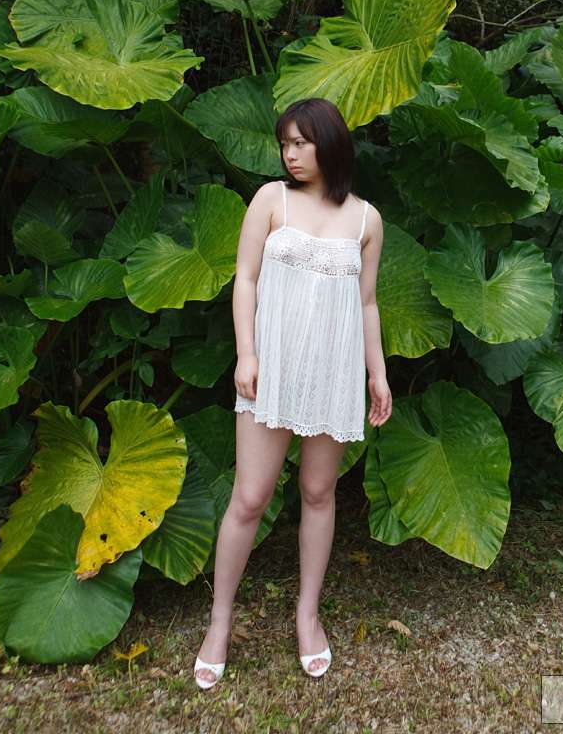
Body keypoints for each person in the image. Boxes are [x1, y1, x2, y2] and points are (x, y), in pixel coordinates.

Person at [194, 97, 392, 690]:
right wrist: (247, 353)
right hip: (271, 369)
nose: (290, 154)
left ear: (330, 144)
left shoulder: (366, 220)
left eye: (301, 142)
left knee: (318, 492)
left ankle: (307, 617)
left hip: (333, 372)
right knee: (250, 498)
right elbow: (246, 279)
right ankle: (219, 622)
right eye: (285, 144)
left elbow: (367, 303)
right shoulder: (270, 200)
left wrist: (377, 374)